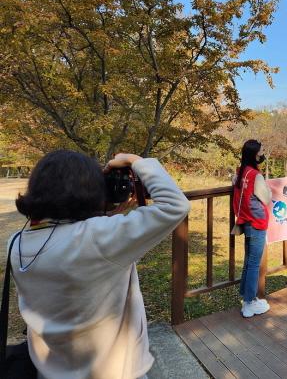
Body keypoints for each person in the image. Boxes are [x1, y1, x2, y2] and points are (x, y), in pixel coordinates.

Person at [9, 150, 190, 379]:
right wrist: (135, 161)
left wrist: (107, 218)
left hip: (49, 369)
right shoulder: (98, 238)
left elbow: (68, 243)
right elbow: (175, 206)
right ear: (88, 192)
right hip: (112, 371)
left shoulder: (16, 243)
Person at [232, 140, 272, 318]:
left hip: (245, 220)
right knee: (254, 263)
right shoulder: (255, 175)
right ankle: (249, 303)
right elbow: (266, 198)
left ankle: (247, 298)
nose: (263, 153)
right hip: (257, 222)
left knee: (249, 261)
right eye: (261, 151)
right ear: (255, 154)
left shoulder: (241, 172)